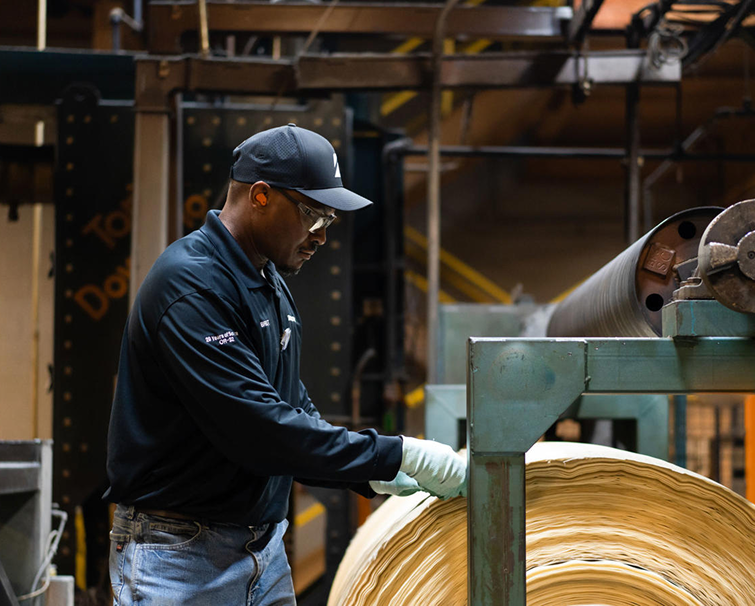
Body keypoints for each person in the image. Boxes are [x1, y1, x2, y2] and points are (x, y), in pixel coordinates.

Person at [104, 124, 466, 606]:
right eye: (313, 214)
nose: (321, 236)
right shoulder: (190, 288)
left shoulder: (267, 281)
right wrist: (397, 454)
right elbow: (260, 430)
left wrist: (367, 474)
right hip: (179, 556)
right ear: (259, 195)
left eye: (329, 220)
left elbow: (290, 405)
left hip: (262, 551)